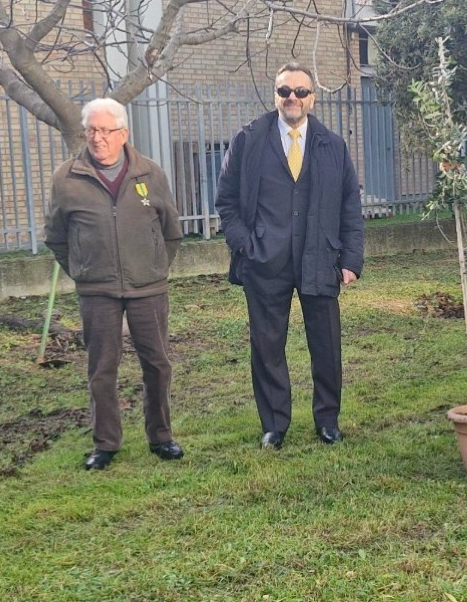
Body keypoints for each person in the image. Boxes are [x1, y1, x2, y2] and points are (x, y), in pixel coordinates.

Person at [215, 63, 364, 448]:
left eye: (300, 91)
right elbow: (226, 201)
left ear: (312, 98)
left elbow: (350, 204)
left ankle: (327, 420)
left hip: (320, 258)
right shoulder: (248, 140)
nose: (292, 98)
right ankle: (274, 425)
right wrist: (245, 245)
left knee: (326, 345)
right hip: (265, 261)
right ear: (276, 95)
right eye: (285, 91)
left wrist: (351, 259)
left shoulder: (333, 145)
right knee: (267, 347)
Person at [44, 98, 185, 470]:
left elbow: (171, 231)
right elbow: (56, 236)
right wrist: (84, 270)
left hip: (148, 287)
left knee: (157, 364)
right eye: (92, 130)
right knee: (102, 369)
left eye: (106, 130)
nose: (98, 138)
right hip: (98, 291)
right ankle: (105, 443)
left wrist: (154, 267)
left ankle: (161, 436)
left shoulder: (151, 174)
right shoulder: (67, 178)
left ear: (123, 133)